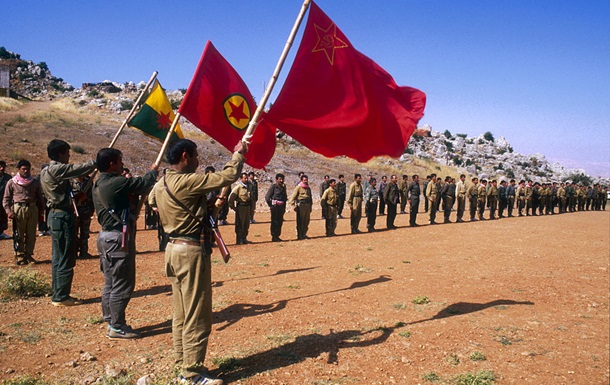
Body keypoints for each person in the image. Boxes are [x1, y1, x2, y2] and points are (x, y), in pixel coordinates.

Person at [152, 139, 246, 384]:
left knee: (181, 313)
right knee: (197, 314)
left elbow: (153, 203)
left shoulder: (161, 182)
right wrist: (238, 154)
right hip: (191, 252)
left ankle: (181, 365)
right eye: (195, 155)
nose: (198, 160)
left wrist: (192, 210)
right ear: (185, 156)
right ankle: (193, 373)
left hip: (172, 249)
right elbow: (228, 176)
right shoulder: (188, 181)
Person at [92, 148, 158, 339]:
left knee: (110, 282)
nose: (122, 164)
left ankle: (110, 318)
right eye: (120, 161)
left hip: (106, 237)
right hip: (117, 239)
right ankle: (117, 325)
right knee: (122, 282)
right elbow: (143, 184)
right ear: (112, 164)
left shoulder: (99, 183)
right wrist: (153, 171)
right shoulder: (116, 182)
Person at [40, 139, 96, 306]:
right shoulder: (57, 169)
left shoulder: (45, 170)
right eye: (67, 153)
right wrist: (96, 163)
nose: (69, 156)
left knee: (58, 257)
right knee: (65, 256)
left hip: (56, 215)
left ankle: (58, 293)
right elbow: (76, 169)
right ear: (60, 153)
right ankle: (62, 296)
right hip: (63, 216)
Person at [3, 160, 45, 265]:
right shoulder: (12, 182)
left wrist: (41, 212)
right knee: (19, 234)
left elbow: (40, 198)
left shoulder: (34, 182)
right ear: (19, 170)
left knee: (31, 234)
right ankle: (20, 256)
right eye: (23, 169)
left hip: (32, 209)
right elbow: (6, 200)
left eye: (28, 169)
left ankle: (29, 255)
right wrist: (8, 211)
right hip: (18, 210)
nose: (26, 171)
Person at [71, 174, 95, 258]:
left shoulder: (88, 181)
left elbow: (92, 195)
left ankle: (84, 251)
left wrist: (92, 209)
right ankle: (74, 252)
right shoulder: (71, 181)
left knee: (85, 232)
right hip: (75, 210)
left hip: (86, 209)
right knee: (73, 232)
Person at [228, 172, 252, 245]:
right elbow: (231, 198)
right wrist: (233, 208)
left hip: (247, 207)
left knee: (246, 224)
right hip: (241, 207)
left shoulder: (249, 186)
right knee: (240, 224)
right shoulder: (238, 187)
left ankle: (244, 238)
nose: (246, 179)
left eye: (247, 178)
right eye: (245, 178)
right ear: (241, 179)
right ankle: (239, 239)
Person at [288, 174, 313, 240]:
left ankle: (304, 234)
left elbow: (310, 197)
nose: (305, 181)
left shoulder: (308, 188)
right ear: (301, 180)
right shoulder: (298, 187)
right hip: (301, 205)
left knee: (306, 221)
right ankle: (299, 235)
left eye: (306, 180)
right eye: (304, 180)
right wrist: (293, 206)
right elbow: (293, 197)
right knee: (300, 221)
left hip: (307, 205)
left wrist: (310, 207)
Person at [265, 173, 287, 242]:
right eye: (279, 179)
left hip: (281, 207)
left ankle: (277, 235)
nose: (281, 180)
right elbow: (267, 197)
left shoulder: (283, 188)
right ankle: (274, 236)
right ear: (276, 180)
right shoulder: (273, 187)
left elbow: (284, 198)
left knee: (280, 221)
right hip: (275, 207)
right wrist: (271, 205)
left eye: (282, 179)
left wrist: (284, 208)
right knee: (274, 221)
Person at [0, 160, 12, 240]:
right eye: (0, 167)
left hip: (4, 200)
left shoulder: (8, 178)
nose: (1, 168)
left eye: (3, 167)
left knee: (3, 216)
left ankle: (1, 232)